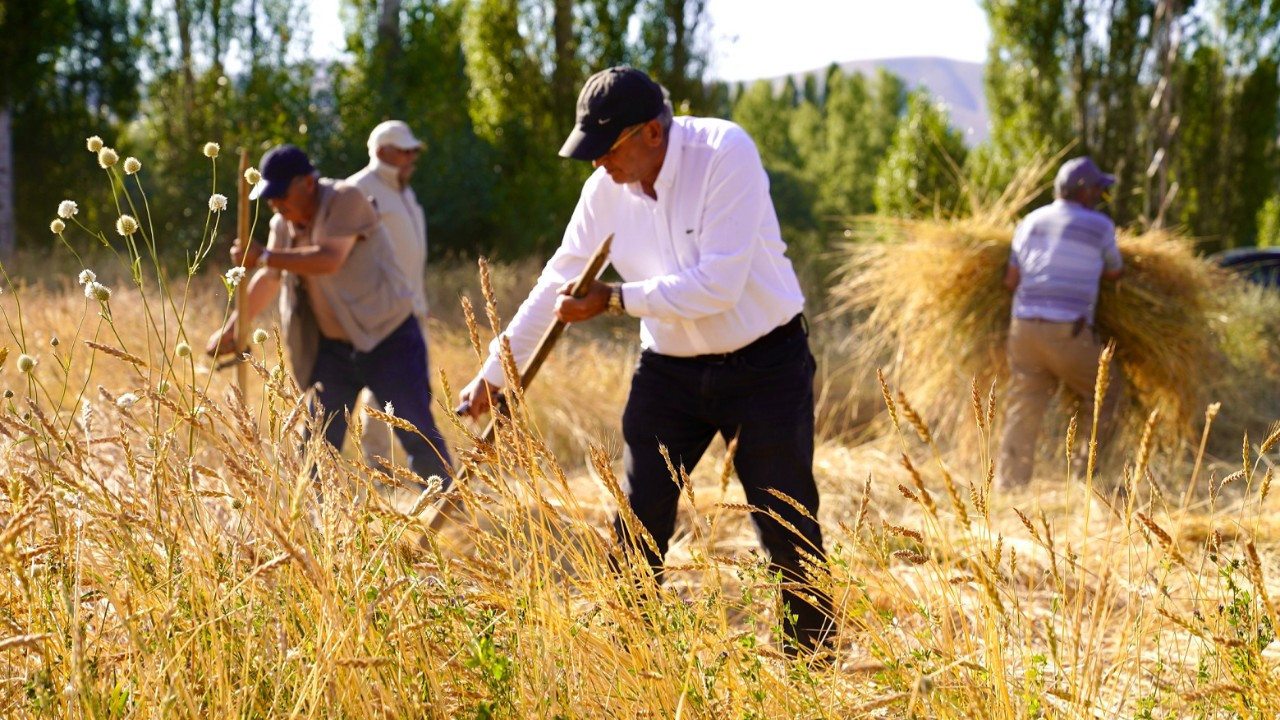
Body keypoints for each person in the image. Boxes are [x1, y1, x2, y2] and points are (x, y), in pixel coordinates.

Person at [457, 67, 832, 655]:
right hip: (670, 370)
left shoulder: (724, 153)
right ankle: (633, 661)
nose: (596, 162)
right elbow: (557, 281)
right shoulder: (604, 190)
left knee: (786, 522)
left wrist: (614, 299)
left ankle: (813, 669)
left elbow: (719, 285)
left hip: (766, 366)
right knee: (637, 521)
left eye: (607, 148)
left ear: (652, 133)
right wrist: (496, 374)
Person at [207, 144, 452, 490]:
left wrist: (263, 256)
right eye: (270, 197)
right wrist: (234, 328)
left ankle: (450, 509)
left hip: (389, 339)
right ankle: (313, 518)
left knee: (417, 432)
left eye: (281, 194)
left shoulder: (346, 199)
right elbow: (269, 278)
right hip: (334, 351)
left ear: (308, 183)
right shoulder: (282, 225)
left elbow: (328, 259)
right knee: (316, 443)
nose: (275, 204)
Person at [997, 155, 1124, 489]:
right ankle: (1085, 478)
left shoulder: (1029, 221)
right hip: (1067, 332)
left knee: (1024, 404)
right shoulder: (1099, 226)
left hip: (1022, 329)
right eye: (1096, 190)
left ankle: (1010, 485)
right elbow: (1115, 272)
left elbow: (1011, 281)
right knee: (1107, 392)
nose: (1099, 196)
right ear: (1084, 192)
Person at [348, 121, 430, 469]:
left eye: (414, 151)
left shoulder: (404, 192)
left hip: (412, 308)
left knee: (415, 392)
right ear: (382, 151)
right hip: (380, 313)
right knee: (382, 391)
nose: (412, 157)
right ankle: (378, 472)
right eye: (404, 151)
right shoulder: (357, 190)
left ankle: (421, 474)